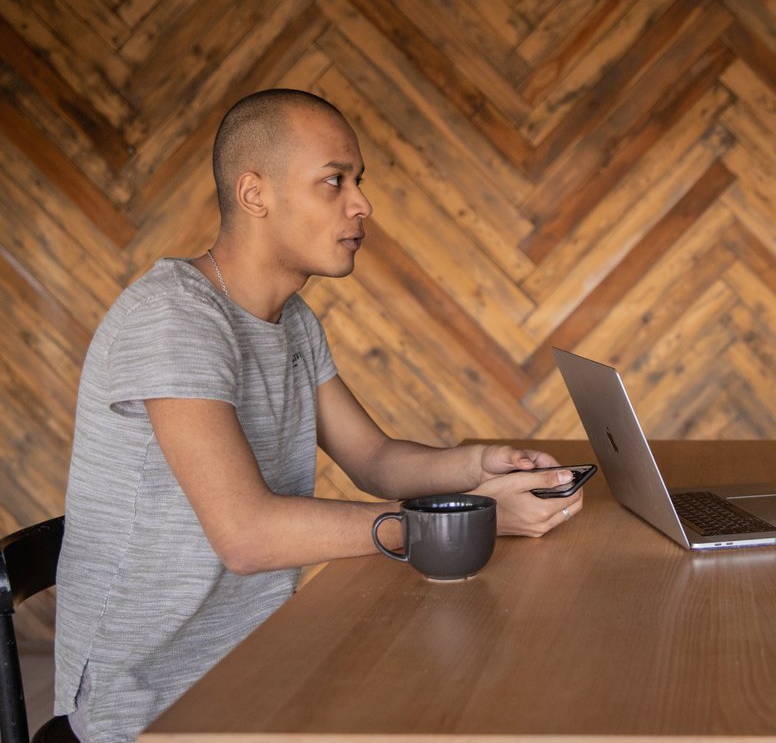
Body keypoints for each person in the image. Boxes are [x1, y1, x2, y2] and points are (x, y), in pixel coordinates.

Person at [53, 89, 584, 740]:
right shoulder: (175, 318)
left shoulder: (293, 322)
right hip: (155, 706)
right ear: (255, 195)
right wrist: (467, 521)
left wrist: (480, 463)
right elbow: (248, 536)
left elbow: (375, 459)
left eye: (357, 181)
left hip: (261, 666)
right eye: (334, 181)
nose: (361, 204)